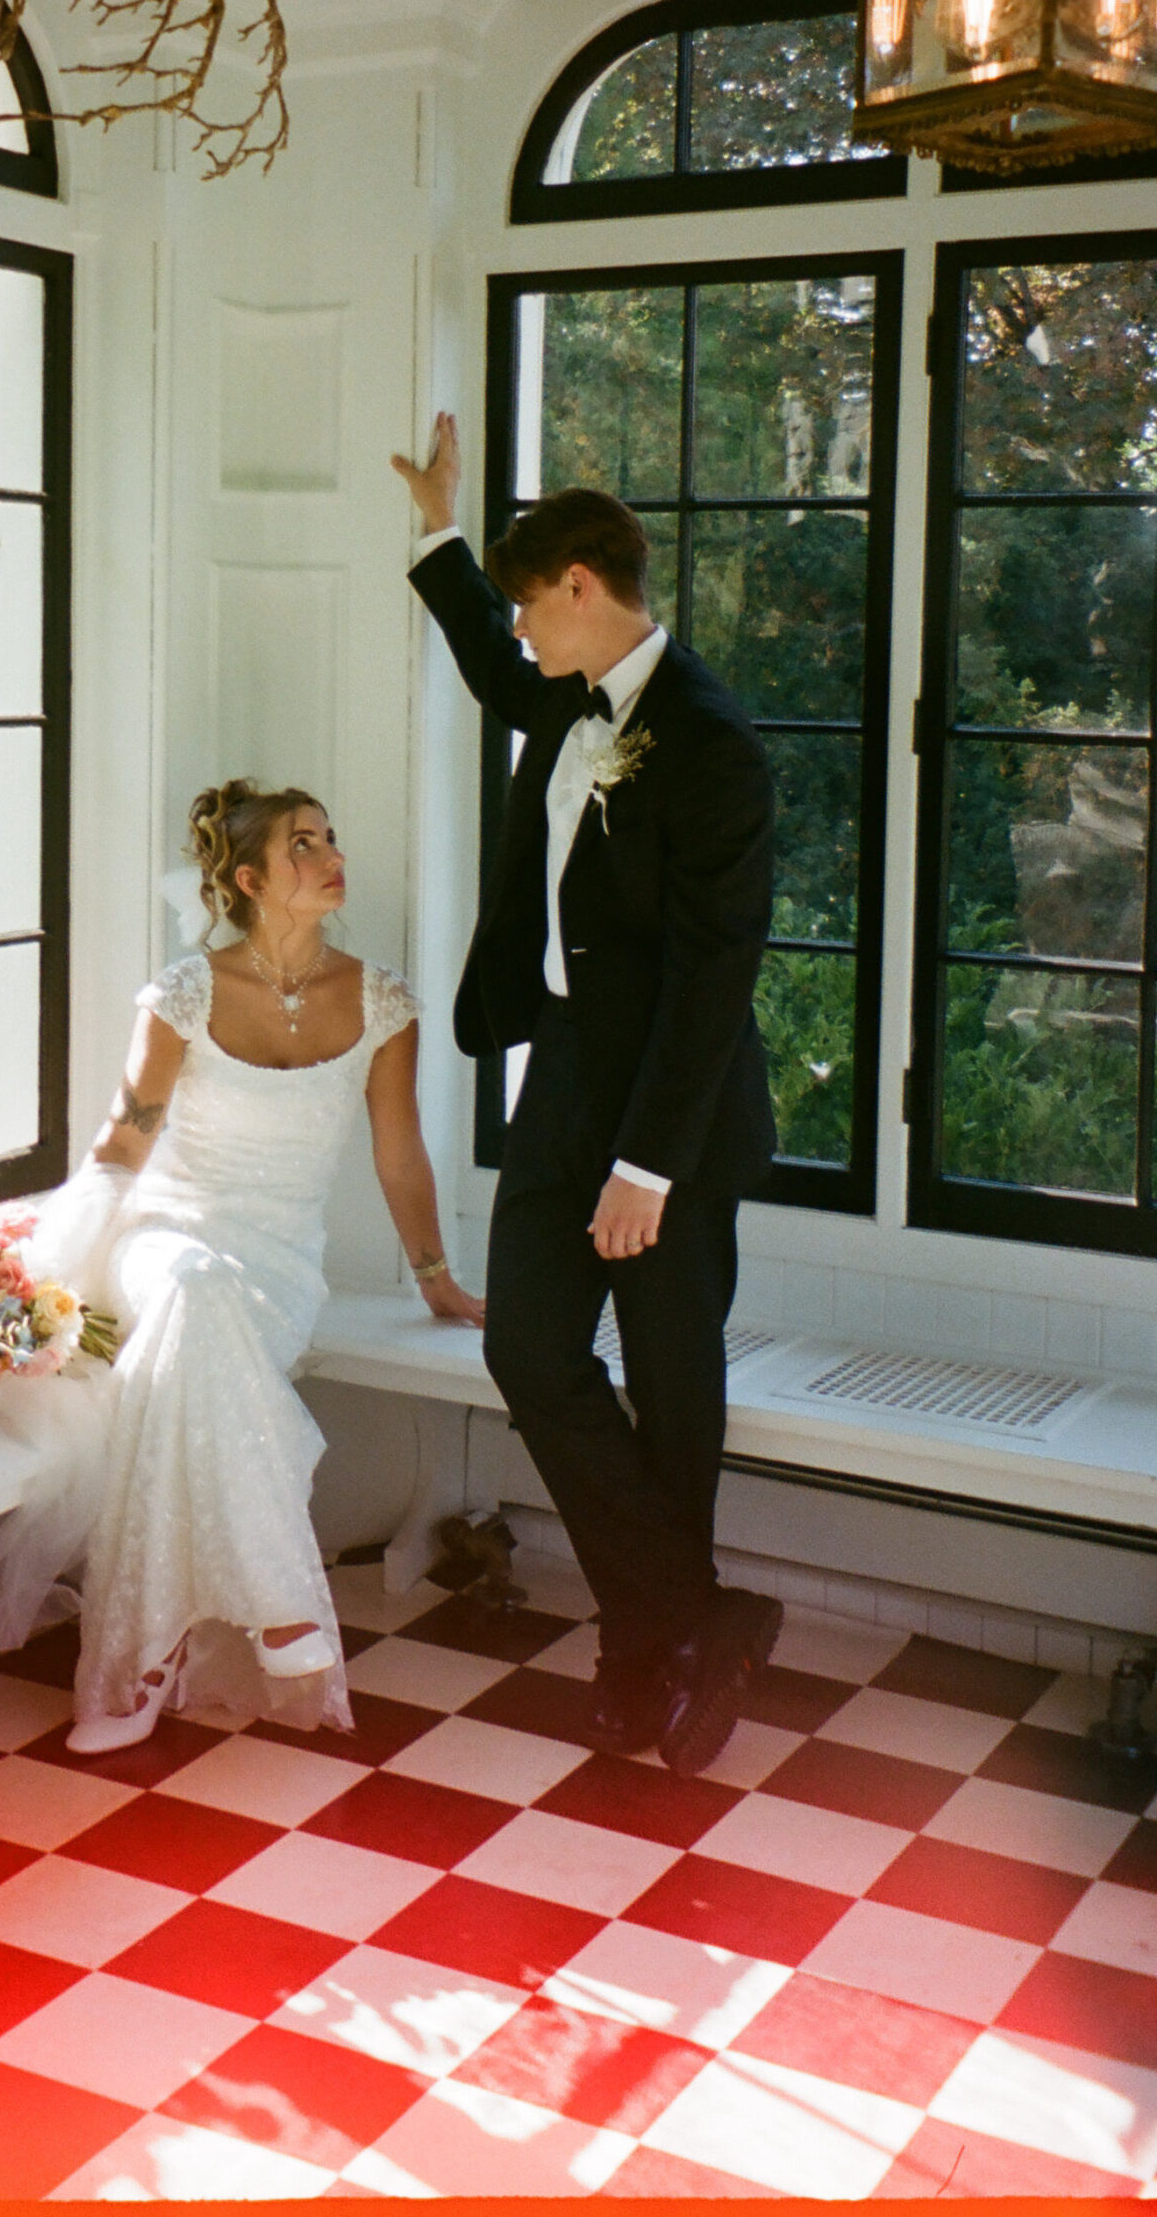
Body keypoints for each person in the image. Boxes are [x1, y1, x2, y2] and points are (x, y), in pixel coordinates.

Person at [391, 412, 781, 1778]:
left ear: (579, 586)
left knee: (673, 1393)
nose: (520, 629)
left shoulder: (714, 742)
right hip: (559, 1080)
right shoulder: (566, 690)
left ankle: (643, 1654)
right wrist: (439, 530)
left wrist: (648, 1169)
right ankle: (699, 1615)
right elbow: (498, 677)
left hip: (669, 1123)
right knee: (528, 1352)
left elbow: (713, 982)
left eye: (525, 600)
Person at [0, 777, 481, 1753]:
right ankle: (280, 1611)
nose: (330, 858)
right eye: (303, 845)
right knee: (190, 1292)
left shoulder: (381, 1001)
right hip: (162, 1240)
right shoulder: (182, 996)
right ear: (248, 877)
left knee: (194, 1347)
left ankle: (142, 1658)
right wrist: (54, 1253)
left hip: (279, 1264)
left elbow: (397, 1153)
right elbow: (122, 1144)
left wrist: (433, 1275)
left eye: (329, 838)